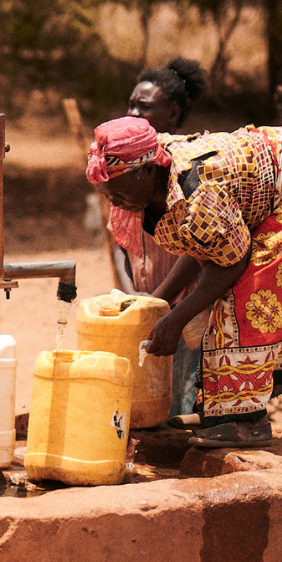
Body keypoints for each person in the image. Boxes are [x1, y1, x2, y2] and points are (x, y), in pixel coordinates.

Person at [87, 116, 282, 448]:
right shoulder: (159, 182)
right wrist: (158, 302)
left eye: (118, 193)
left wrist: (176, 319)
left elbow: (230, 264)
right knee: (226, 297)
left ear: (146, 171)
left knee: (250, 296)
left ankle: (245, 422)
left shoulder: (197, 190)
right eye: (108, 195)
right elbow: (203, 244)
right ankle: (220, 409)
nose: (114, 203)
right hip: (269, 166)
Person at [113, 58, 209, 418]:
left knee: (180, 398)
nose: (134, 112)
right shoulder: (124, 164)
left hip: (184, 306)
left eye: (145, 106)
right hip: (144, 303)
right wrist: (132, 295)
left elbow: (198, 251)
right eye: (132, 104)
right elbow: (121, 241)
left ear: (172, 113)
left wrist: (158, 301)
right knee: (146, 397)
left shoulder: (183, 169)